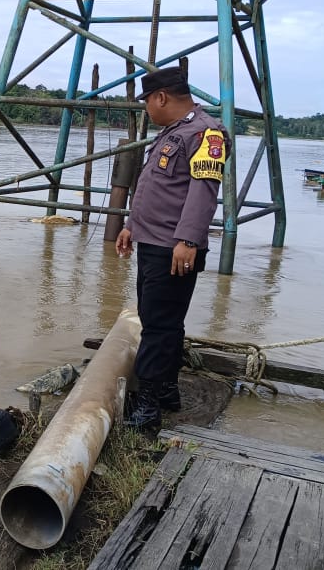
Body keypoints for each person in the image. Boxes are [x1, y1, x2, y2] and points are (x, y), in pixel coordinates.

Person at [115, 67, 229, 430]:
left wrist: (188, 240)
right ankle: (166, 391)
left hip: (174, 248)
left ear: (161, 97)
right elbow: (156, 189)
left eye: (148, 101)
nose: (147, 108)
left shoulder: (206, 134)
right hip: (154, 242)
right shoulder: (173, 133)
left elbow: (203, 191)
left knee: (158, 327)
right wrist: (131, 227)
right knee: (160, 321)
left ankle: (147, 409)